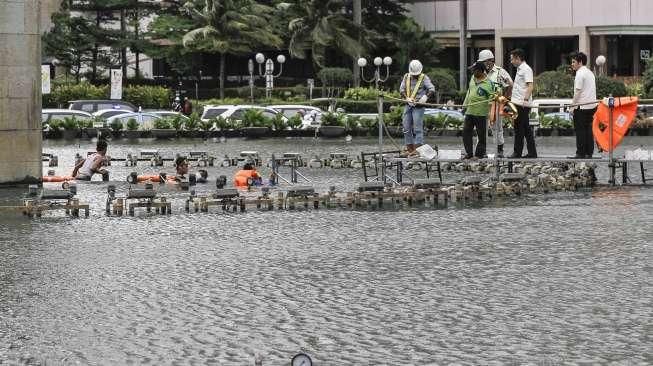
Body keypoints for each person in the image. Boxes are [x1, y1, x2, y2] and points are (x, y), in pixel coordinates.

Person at [478, 49, 513, 158]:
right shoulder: (480, 72)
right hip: (482, 104)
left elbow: (510, 84)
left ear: (490, 61)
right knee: (480, 128)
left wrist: (505, 99)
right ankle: (481, 151)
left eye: (484, 62)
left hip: (496, 104)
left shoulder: (499, 71)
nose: (483, 64)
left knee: (497, 128)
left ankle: (499, 150)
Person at [399, 60, 435, 157]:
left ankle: (418, 149)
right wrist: (406, 97)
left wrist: (425, 97)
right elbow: (401, 90)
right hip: (408, 104)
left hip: (419, 106)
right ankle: (410, 149)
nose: (415, 75)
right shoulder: (406, 77)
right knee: (406, 127)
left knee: (417, 128)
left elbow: (432, 89)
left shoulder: (424, 78)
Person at [462, 61, 494, 159]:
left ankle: (479, 154)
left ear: (480, 71)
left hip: (481, 113)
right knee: (466, 132)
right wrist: (464, 105)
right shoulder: (472, 78)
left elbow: (492, 98)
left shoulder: (488, 83)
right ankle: (469, 153)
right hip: (470, 111)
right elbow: (469, 92)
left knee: (481, 135)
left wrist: (490, 113)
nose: (473, 72)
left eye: (474, 70)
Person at [508, 48, 537, 158]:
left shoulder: (526, 69)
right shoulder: (520, 69)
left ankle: (517, 152)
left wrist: (525, 100)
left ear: (518, 58)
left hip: (522, 104)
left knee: (519, 129)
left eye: (512, 59)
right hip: (518, 103)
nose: (511, 61)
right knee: (525, 129)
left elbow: (530, 85)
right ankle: (532, 152)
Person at [569, 51, 597, 158]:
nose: (572, 64)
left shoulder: (580, 74)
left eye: (573, 62)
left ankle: (580, 153)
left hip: (582, 107)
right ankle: (589, 152)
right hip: (592, 106)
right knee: (589, 131)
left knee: (580, 131)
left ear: (580, 62)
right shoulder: (590, 73)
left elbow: (578, 92)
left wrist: (572, 107)